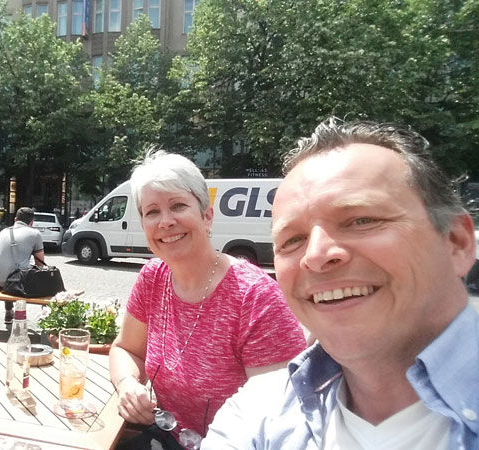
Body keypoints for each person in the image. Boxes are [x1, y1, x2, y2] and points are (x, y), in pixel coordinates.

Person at [202, 119, 479, 449]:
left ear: (457, 242)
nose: (316, 255)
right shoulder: (257, 413)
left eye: (361, 220)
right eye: (292, 240)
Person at [110, 149, 307, 449]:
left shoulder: (255, 298)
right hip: (165, 439)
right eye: (151, 212)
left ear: (207, 215)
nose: (165, 222)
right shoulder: (153, 277)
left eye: (178, 205)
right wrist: (127, 385)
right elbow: (125, 349)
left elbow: (278, 421)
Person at [0, 207, 46, 323]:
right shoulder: (35, 234)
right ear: (31, 222)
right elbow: (40, 264)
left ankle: (9, 312)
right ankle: (24, 316)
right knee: (21, 278)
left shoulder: (4, 231)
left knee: (11, 275)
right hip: (13, 284)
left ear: (15, 219)